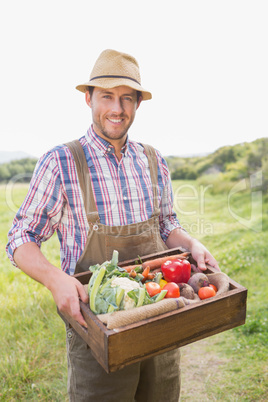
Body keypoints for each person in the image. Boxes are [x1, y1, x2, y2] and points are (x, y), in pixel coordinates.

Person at [6, 49, 220, 401]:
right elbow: (20, 237)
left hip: (160, 317)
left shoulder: (152, 160)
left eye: (127, 98)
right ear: (88, 98)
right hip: (97, 331)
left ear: (137, 104)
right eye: (107, 96)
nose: (117, 109)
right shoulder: (61, 162)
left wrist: (192, 243)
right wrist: (55, 280)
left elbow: (167, 225)